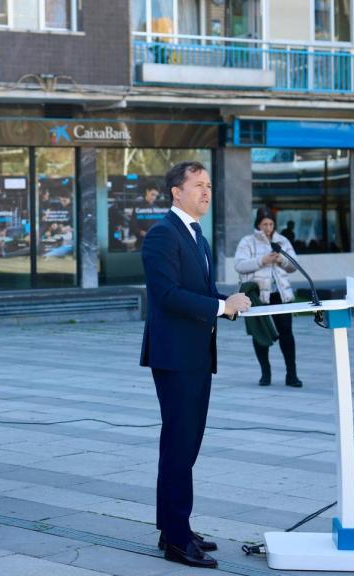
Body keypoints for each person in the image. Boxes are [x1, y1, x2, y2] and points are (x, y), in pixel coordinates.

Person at [140, 161, 251, 569]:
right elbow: (167, 294)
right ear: (176, 191)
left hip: (197, 355)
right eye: (198, 185)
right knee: (179, 445)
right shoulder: (162, 235)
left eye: (209, 185)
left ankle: (174, 526)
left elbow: (201, 291)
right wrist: (222, 306)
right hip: (175, 356)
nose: (206, 191)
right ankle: (175, 539)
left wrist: (231, 301)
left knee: (186, 446)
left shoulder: (197, 237)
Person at [233, 208, 302, 387]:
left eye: (271, 224)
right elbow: (239, 265)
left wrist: (281, 260)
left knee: (287, 333)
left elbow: (294, 265)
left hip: (281, 294)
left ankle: (291, 375)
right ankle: (266, 373)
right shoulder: (247, 242)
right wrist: (262, 260)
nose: (268, 228)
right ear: (258, 224)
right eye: (264, 224)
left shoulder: (282, 241)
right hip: (258, 296)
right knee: (260, 334)